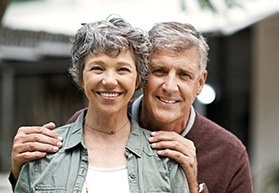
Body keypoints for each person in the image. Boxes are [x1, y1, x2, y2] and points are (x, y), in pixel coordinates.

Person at [10, 21, 253, 193]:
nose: (169, 86)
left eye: (184, 75)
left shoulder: (229, 154)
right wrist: (19, 167)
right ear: (143, 76)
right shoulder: (86, 124)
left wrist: (193, 185)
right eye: (159, 71)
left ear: (200, 82)